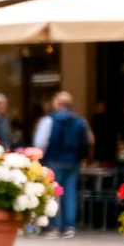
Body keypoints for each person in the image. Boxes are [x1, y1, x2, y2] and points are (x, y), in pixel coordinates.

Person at [35, 91, 92, 238]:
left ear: (57, 103)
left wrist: (40, 157)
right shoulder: (80, 121)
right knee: (70, 193)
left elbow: (40, 142)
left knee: (54, 192)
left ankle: (55, 226)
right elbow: (87, 142)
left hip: (54, 159)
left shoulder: (49, 120)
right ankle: (69, 226)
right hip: (73, 161)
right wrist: (82, 157)